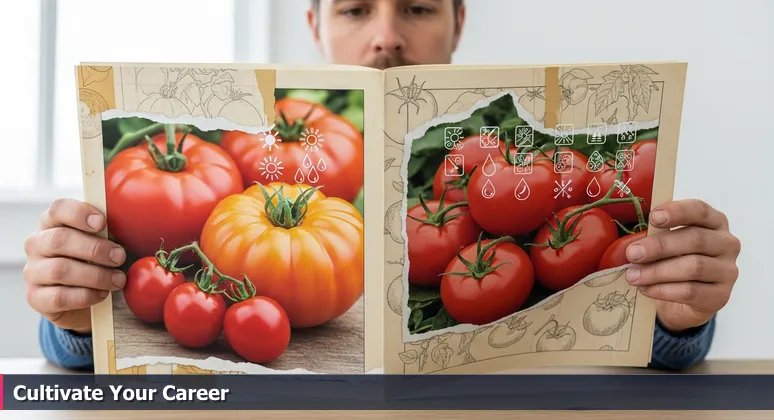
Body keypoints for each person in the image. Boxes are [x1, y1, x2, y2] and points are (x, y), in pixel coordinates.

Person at [24, 0, 741, 371]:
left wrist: (682, 320)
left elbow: (656, 350)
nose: (387, 37)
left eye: (419, 8)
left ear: (460, 22)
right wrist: (73, 322)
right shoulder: (251, 156)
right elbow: (87, 354)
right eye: (355, 9)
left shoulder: (502, 157)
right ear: (313, 24)